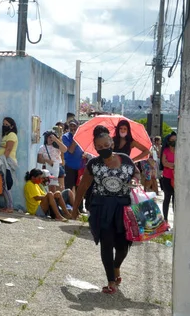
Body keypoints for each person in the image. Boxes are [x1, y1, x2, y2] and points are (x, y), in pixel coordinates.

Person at [71, 125, 140, 294]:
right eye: (99, 147)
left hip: (123, 208)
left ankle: (116, 267)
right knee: (106, 244)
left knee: (123, 246)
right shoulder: (93, 164)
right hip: (101, 208)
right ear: (95, 148)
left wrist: (136, 181)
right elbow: (83, 186)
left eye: (106, 145)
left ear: (112, 143)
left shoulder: (125, 159)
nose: (103, 149)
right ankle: (111, 280)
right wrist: (75, 208)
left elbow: (137, 173)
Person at [0, 117, 18, 213]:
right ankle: (6, 205)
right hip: (2, 161)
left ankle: (10, 206)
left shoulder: (12, 135)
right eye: (3, 124)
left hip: (7, 162)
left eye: (6, 124)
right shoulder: (5, 135)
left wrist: (2, 160)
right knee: (3, 184)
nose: (4, 126)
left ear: (12, 126)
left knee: (7, 184)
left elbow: (8, 149)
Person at [160, 132, 176, 221]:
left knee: (175, 200)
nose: (174, 142)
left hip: (177, 178)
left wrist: (169, 165)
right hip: (167, 177)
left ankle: (175, 219)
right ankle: (165, 219)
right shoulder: (165, 150)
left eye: (175, 140)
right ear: (168, 141)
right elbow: (164, 163)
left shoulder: (180, 150)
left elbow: (167, 163)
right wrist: (174, 165)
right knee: (167, 198)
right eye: (172, 140)